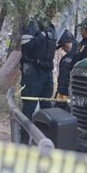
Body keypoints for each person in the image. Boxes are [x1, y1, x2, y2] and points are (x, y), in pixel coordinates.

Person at [20, 8, 57, 143]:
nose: (54, 12)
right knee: (28, 108)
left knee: (48, 109)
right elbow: (26, 47)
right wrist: (41, 35)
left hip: (47, 73)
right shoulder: (33, 24)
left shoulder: (52, 27)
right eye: (52, 9)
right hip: (33, 73)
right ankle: (23, 143)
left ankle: (46, 142)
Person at [55, 29, 77, 109]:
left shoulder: (77, 55)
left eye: (62, 46)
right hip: (62, 93)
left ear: (66, 44)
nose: (63, 49)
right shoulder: (66, 57)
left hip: (69, 94)